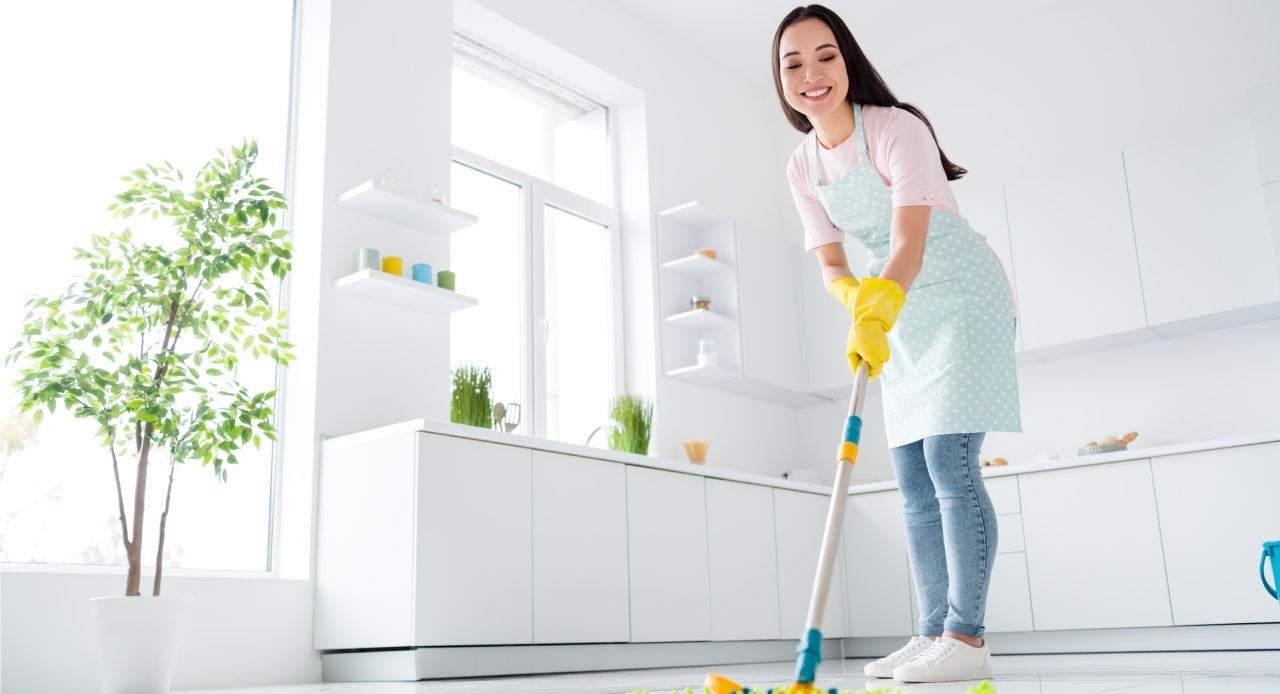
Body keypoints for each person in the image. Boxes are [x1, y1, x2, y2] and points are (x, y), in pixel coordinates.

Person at [773, 5, 1022, 685]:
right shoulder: (802, 167)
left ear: (847, 59)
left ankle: (966, 638)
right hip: (901, 309)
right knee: (911, 478)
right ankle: (930, 633)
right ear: (781, 82)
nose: (811, 74)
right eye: (792, 64)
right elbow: (830, 262)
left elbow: (909, 241)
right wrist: (856, 299)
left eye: (825, 56)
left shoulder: (894, 128)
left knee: (949, 461)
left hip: (962, 296)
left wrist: (881, 298)